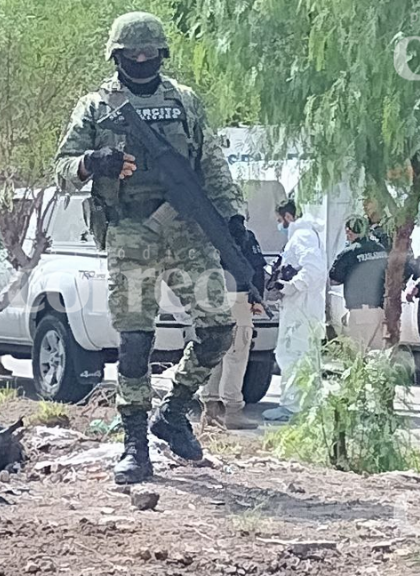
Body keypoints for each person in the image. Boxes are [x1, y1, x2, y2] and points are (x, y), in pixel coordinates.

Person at [54, 12, 245, 485]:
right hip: (129, 231)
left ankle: (175, 411)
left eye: (149, 52)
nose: (141, 60)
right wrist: (92, 163)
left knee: (219, 328)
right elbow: (60, 170)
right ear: (116, 56)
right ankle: (135, 445)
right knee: (135, 341)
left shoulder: (183, 102)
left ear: (162, 53)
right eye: (131, 54)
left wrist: (235, 220)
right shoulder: (96, 107)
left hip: (186, 229)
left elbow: (213, 165)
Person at [263, 199, 327, 422]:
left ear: (288, 217)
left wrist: (290, 286)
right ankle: (309, 406)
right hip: (304, 307)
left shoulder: (301, 237)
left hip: (301, 308)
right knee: (306, 358)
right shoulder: (309, 236)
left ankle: (291, 407)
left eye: (280, 220)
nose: (280, 225)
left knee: (291, 356)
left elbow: (314, 269)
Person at [202, 215, 266, 430]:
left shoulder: (206, 233)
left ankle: (210, 408)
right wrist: (257, 300)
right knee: (236, 356)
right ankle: (232, 411)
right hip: (237, 299)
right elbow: (257, 270)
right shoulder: (244, 235)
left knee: (215, 353)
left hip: (211, 300)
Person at [328, 215, 388, 352]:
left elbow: (334, 279)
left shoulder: (349, 253)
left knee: (357, 356)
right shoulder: (380, 250)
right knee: (376, 356)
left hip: (360, 312)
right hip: (380, 310)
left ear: (349, 231)